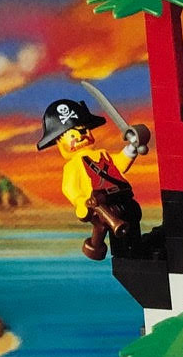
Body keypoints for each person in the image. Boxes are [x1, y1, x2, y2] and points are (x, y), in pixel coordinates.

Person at [38, 96, 146, 261]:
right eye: (72, 135)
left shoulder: (102, 154)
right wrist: (82, 202)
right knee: (109, 228)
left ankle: (136, 250)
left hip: (122, 196)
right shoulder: (73, 166)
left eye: (84, 131)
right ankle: (117, 255)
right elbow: (70, 188)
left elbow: (119, 165)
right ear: (59, 143)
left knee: (133, 215)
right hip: (101, 204)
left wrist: (132, 148)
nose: (81, 136)